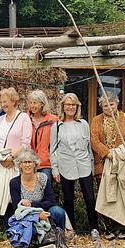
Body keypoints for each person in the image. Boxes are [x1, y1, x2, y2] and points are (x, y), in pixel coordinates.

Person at [90, 89, 125, 239]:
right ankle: (110, 228)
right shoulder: (96, 120)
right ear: (101, 107)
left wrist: (121, 153)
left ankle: (123, 228)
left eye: (111, 104)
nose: (109, 108)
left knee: (123, 196)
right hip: (105, 164)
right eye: (105, 106)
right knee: (107, 196)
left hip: (123, 164)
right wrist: (108, 153)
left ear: (116, 103)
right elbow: (94, 140)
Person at [50, 92, 99, 240]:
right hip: (66, 165)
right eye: (67, 104)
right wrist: (55, 169)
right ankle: (71, 230)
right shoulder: (57, 126)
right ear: (63, 107)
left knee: (90, 198)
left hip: (83, 164)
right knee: (68, 200)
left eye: (73, 105)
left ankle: (94, 229)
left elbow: (89, 147)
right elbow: (52, 150)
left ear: (77, 106)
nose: (70, 107)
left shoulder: (83, 124)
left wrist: (92, 165)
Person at [8, 148, 67, 248]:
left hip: (45, 211)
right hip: (27, 217)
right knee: (31, 231)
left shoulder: (43, 178)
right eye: (24, 162)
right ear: (19, 165)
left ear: (35, 164)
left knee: (58, 212)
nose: (27, 165)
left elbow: (51, 201)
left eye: (30, 162)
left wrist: (32, 204)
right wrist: (37, 216)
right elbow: (17, 209)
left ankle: (60, 239)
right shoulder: (14, 183)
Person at [0, 87, 32, 218]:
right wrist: (1, 158)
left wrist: (12, 157)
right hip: (2, 164)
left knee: (16, 195)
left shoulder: (23, 117)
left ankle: (20, 223)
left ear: (14, 101)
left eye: (5, 101)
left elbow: (25, 142)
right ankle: (6, 224)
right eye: (1, 102)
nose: (3, 105)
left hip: (18, 163)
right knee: (1, 194)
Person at [27, 89, 58, 180]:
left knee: (45, 186)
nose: (32, 106)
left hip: (46, 163)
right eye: (30, 103)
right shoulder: (25, 119)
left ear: (42, 104)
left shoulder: (52, 120)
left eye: (35, 103)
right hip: (29, 162)